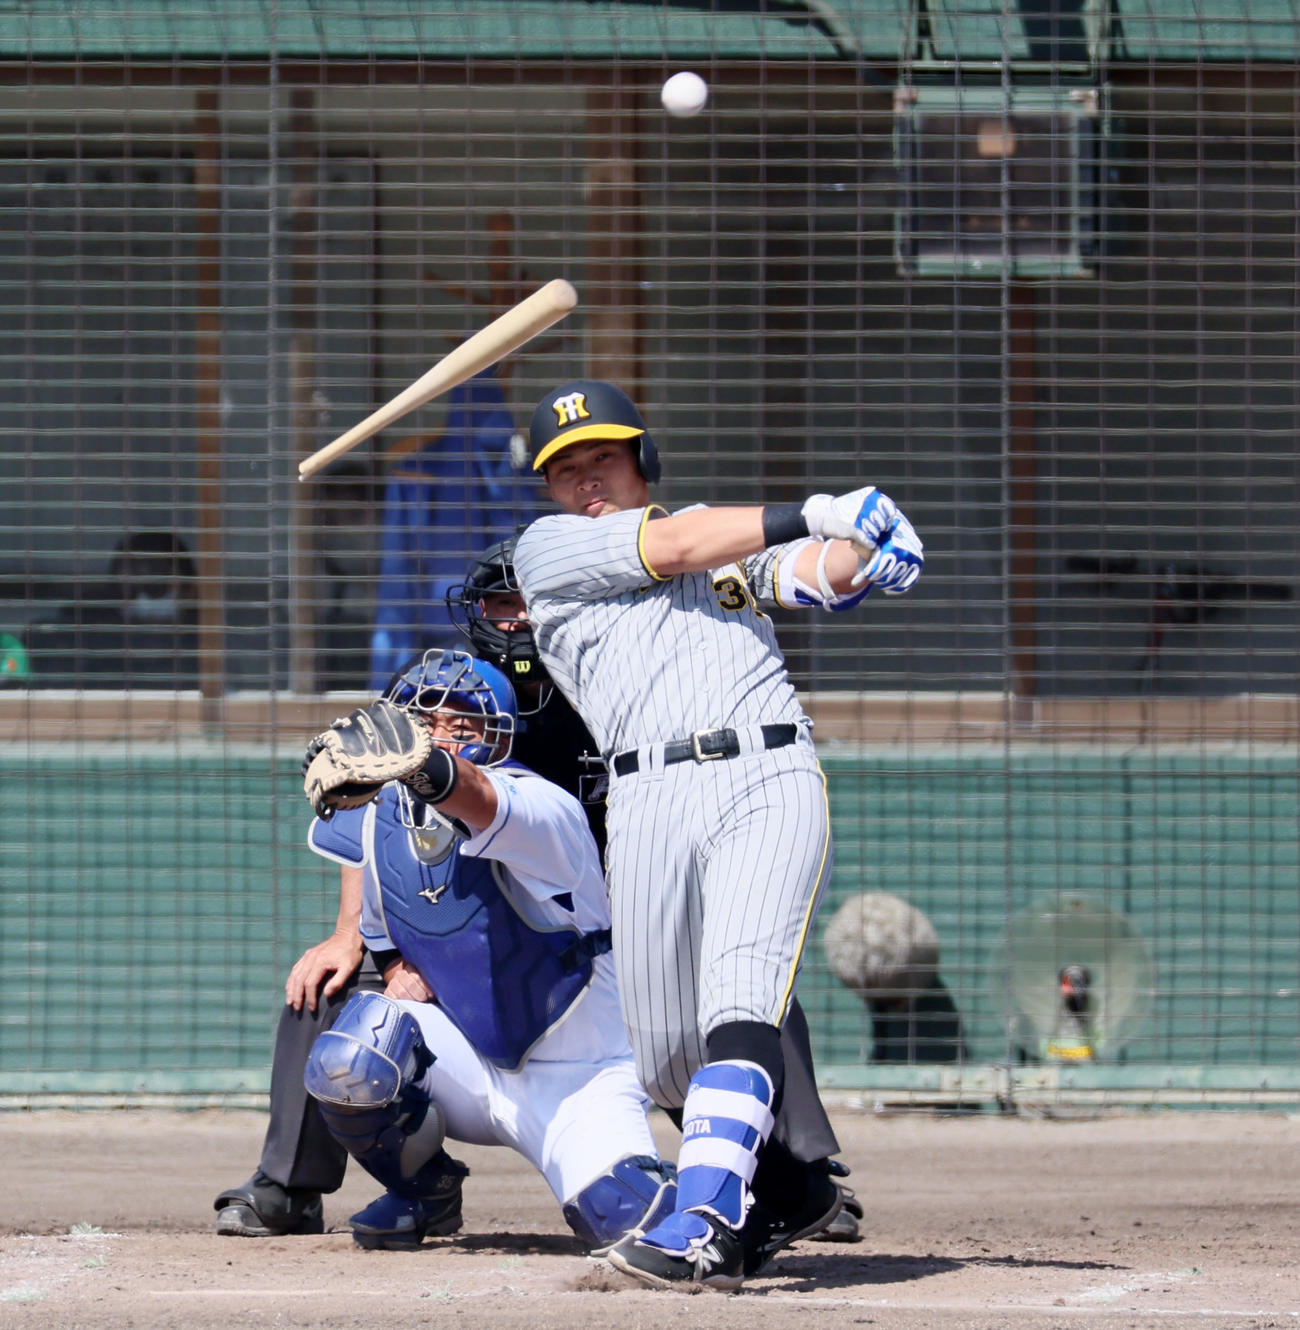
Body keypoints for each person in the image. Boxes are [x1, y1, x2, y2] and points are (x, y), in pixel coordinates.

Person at [512, 379, 923, 1290]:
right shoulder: (548, 553)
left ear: (642, 461)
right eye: (568, 469)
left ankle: (703, 1227)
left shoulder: (715, 538)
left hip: (763, 774)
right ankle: (789, 1192)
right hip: (645, 799)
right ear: (547, 489)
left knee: (739, 1000)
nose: (589, 482)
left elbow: (803, 571)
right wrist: (815, 506)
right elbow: (678, 543)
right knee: (664, 1062)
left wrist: (867, 549)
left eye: (606, 460)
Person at [448, 535, 864, 1260]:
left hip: (641, 876)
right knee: (342, 981)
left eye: (529, 601)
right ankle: (315, 1184)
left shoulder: (610, 670)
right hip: (533, 910)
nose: (515, 619)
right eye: (500, 602)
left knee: (741, 982)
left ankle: (799, 1170)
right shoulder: (466, 698)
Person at [294, 646, 678, 1251]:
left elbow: (476, 800)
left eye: (463, 725)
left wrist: (423, 763)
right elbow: (385, 931)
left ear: (499, 736)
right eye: (423, 724)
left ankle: (719, 1194)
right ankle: (426, 1192)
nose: (442, 738)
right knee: (354, 1053)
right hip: (472, 1067)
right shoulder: (382, 821)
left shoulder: (541, 804)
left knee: (636, 1226)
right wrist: (400, 970)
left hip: (580, 1077)